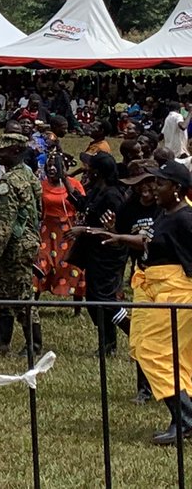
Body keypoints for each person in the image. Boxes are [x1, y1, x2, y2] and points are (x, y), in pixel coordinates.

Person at [91, 161, 192, 444]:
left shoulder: (185, 218)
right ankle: (180, 420)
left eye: (160, 183)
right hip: (154, 287)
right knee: (160, 352)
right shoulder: (167, 214)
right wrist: (118, 237)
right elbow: (151, 243)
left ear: (177, 188)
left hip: (178, 291)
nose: (153, 188)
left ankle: (187, 417)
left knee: (153, 351)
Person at [0, 132, 44, 357]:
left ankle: (34, 345)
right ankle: (2, 340)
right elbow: (38, 210)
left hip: (14, 245)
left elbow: (4, 221)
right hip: (27, 239)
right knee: (2, 292)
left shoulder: (9, 182)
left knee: (21, 295)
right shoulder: (29, 176)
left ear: (17, 152)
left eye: (4, 150)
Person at [33, 156, 85, 301]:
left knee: (73, 265)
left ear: (65, 168)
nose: (51, 168)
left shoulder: (74, 184)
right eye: (49, 165)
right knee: (40, 262)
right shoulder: (41, 186)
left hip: (69, 230)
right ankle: (32, 301)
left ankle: (77, 305)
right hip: (48, 230)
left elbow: (81, 204)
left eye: (56, 165)